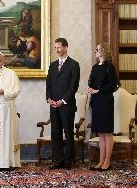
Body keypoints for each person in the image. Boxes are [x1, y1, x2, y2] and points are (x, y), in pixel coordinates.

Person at [46, 38, 80, 170]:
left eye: (59, 47)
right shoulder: (52, 65)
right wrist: (49, 98)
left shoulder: (73, 64)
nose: (57, 50)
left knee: (68, 133)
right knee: (56, 133)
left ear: (66, 47)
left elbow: (73, 87)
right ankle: (57, 161)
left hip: (67, 105)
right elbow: (48, 84)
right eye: (55, 48)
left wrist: (63, 101)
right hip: (53, 105)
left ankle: (68, 161)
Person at [88, 42, 119, 171]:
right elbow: (91, 80)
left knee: (107, 132)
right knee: (100, 132)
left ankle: (107, 161)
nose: (95, 51)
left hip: (105, 101)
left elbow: (114, 85)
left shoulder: (109, 67)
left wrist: (98, 91)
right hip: (96, 101)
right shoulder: (95, 67)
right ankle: (101, 161)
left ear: (104, 51)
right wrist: (90, 88)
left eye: (97, 49)